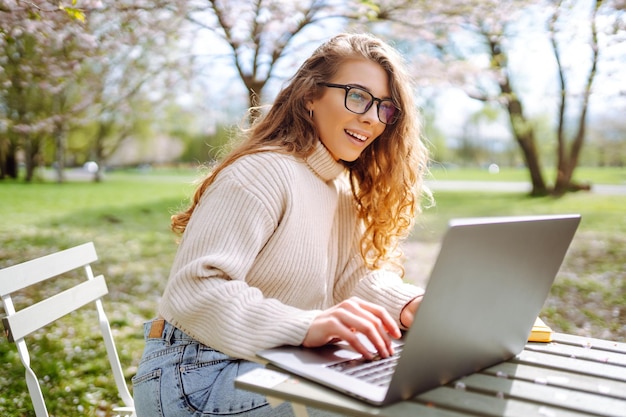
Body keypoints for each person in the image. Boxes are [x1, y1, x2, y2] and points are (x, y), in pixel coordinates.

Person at [132, 32, 431, 417]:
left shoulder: (339, 185)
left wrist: (409, 304)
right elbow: (196, 291)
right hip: (196, 376)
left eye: (385, 108)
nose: (372, 118)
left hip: (267, 361)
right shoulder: (263, 171)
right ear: (310, 95)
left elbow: (351, 278)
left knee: (417, 375)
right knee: (394, 397)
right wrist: (307, 325)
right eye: (357, 96)